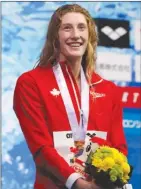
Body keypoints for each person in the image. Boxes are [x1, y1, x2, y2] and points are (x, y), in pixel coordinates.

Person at [13, 4, 128, 189]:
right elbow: (41, 147)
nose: (75, 35)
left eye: (81, 27)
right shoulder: (31, 83)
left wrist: (109, 179)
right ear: (55, 37)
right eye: (67, 27)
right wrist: (77, 183)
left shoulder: (109, 89)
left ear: (90, 35)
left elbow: (119, 147)